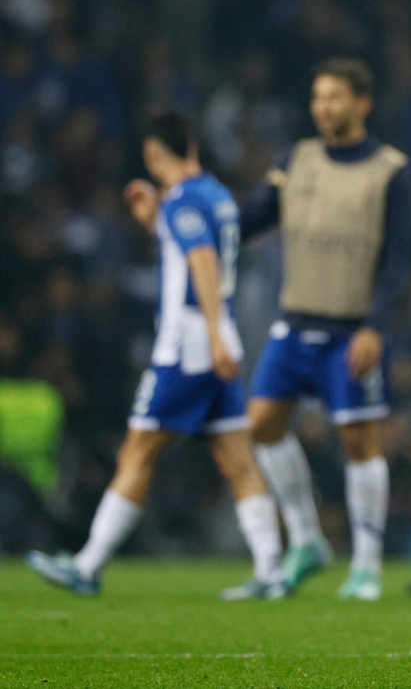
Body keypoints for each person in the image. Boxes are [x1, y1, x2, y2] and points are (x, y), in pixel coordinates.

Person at [27, 112, 286, 599]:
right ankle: (271, 571)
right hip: (220, 341)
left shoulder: (183, 200)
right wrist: (154, 223)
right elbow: (194, 252)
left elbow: (202, 264)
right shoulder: (217, 197)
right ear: (191, 146)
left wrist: (210, 335)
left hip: (188, 347)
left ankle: (88, 564)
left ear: (151, 154)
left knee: (137, 452)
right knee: (237, 459)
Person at [239, 59, 411, 600]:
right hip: (294, 322)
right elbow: (252, 218)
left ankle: (366, 565)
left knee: (359, 440)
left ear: (362, 103)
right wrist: (195, 219)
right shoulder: (297, 159)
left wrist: (375, 326)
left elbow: (398, 259)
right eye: (318, 97)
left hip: (351, 329)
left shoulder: (392, 170)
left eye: (335, 97)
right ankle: (309, 540)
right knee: (263, 424)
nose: (324, 108)